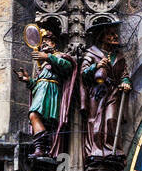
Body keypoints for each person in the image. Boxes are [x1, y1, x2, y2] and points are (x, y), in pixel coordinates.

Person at [16, 26, 76, 159]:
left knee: (35, 115)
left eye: (47, 41)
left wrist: (48, 57)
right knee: (35, 116)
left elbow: (67, 67)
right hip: (42, 92)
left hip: (52, 92)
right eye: (42, 41)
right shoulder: (42, 65)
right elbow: (38, 84)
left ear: (53, 43)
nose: (43, 43)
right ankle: (42, 148)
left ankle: (42, 148)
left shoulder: (58, 56)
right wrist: (28, 81)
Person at [81, 24, 132, 161]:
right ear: (101, 37)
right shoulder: (91, 53)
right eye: (110, 34)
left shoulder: (118, 56)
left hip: (113, 92)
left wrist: (126, 82)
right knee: (95, 120)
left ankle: (111, 149)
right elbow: (83, 73)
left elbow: (124, 74)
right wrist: (96, 66)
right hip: (97, 92)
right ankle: (96, 149)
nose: (115, 36)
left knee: (111, 119)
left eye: (115, 33)